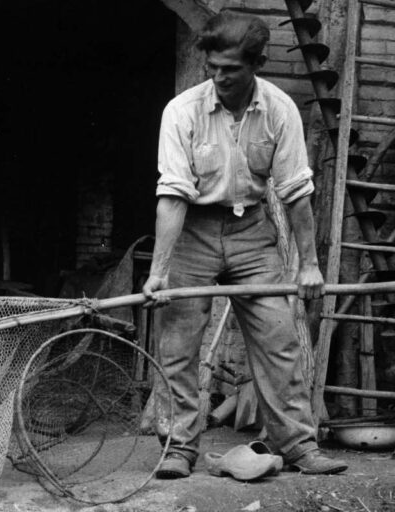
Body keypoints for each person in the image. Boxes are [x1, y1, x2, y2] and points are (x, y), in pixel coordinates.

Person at [142, 11, 348, 479]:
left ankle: (298, 445)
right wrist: (159, 271)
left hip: (253, 234)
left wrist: (309, 266)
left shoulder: (279, 110)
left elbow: (296, 192)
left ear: (257, 63)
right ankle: (178, 447)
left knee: (279, 339)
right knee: (177, 344)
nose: (218, 78)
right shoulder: (182, 111)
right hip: (193, 231)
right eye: (212, 67)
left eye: (230, 69)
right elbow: (173, 195)